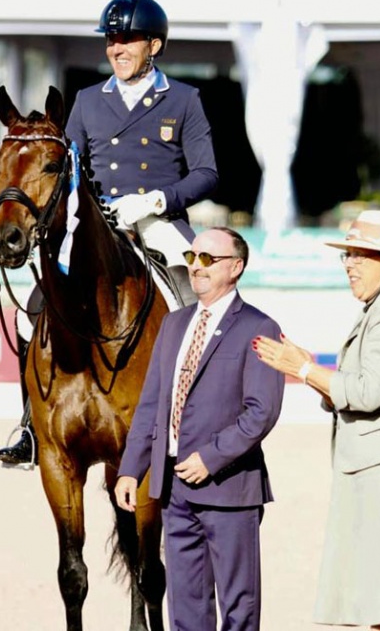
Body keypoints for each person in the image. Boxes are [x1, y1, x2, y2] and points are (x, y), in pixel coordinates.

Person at [0, 0, 218, 466]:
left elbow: (206, 173)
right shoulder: (87, 100)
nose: (117, 48)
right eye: (111, 41)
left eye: (128, 40)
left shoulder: (182, 99)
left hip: (156, 221)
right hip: (97, 221)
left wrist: (156, 200)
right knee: (30, 312)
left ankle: (196, 420)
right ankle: (30, 424)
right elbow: (67, 165)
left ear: (153, 46)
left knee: (194, 300)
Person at [252, 209, 380, 631]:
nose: (350, 264)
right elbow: (358, 388)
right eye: (347, 255)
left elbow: (369, 391)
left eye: (362, 255)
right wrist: (311, 373)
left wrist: (304, 370)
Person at [115, 226, 285, 631]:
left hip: (229, 488)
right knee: (186, 606)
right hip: (174, 490)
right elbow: (152, 404)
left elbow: (261, 412)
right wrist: (129, 468)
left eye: (208, 259)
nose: (196, 267)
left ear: (236, 267)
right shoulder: (174, 325)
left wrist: (210, 458)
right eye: (192, 258)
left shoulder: (259, 327)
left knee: (238, 605)